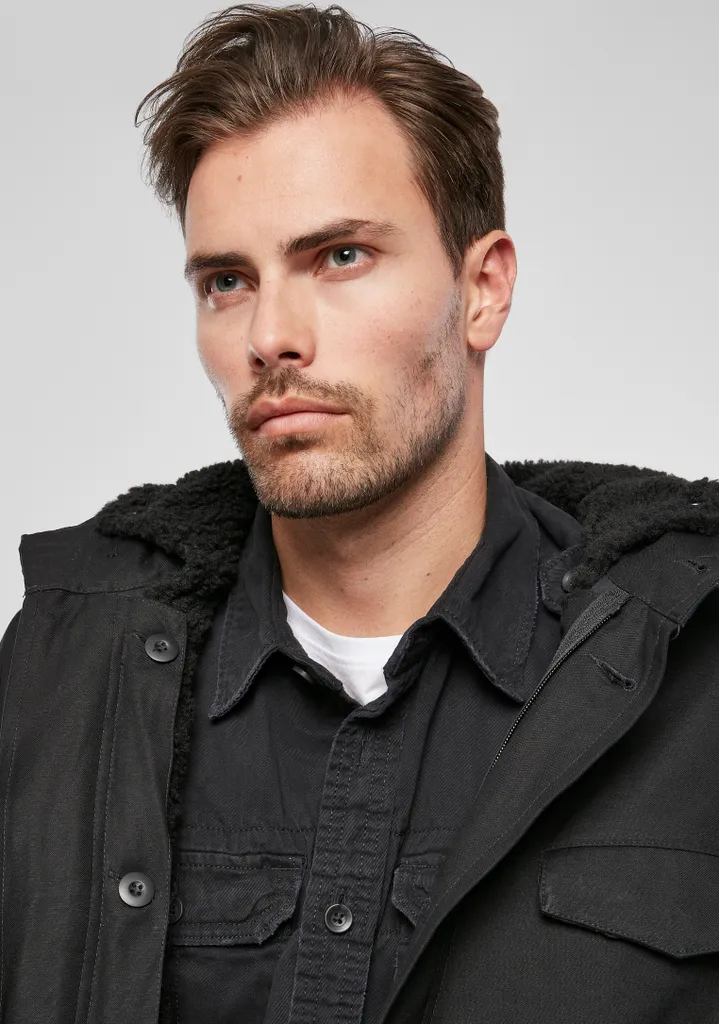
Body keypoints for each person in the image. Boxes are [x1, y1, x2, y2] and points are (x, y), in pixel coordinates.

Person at [1, 4, 718, 1023]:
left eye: (339, 256)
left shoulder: (690, 683)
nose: (270, 335)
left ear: (482, 289)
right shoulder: (62, 677)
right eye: (226, 280)